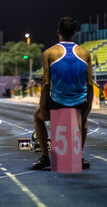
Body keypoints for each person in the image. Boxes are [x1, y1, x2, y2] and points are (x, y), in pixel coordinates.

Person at [31, 17, 93, 170]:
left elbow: (46, 83)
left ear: (58, 32)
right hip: (79, 104)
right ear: (74, 32)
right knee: (84, 122)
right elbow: (90, 84)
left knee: (37, 116)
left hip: (57, 104)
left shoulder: (49, 53)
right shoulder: (85, 54)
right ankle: (77, 156)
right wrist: (88, 109)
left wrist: (43, 107)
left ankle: (45, 157)